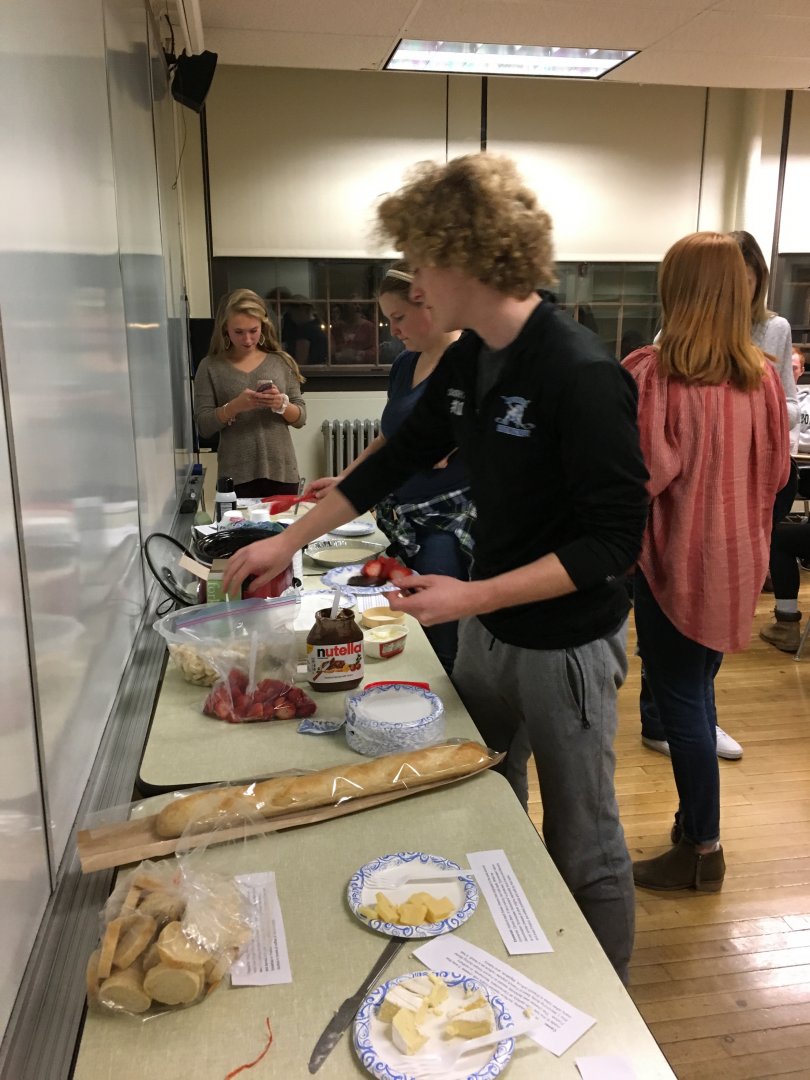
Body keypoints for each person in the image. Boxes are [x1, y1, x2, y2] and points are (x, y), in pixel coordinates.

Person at [222, 153, 651, 983]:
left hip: (564, 647)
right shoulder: (476, 357)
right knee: (491, 797)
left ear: (467, 256)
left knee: (585, 841)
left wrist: (474, 593)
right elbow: (393, 461)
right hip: (489, 629)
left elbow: (614, 542)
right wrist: (287, 541)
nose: (415, 282)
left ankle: (605, 1011)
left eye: (422, 260)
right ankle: (524, 956)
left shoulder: (580, 371)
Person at [624, 233, 790, 894]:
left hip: (676, 564)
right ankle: (693, 825)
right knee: (700, 689)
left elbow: (643, 478)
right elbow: (777, 474)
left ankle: (702, 846)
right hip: (739, 560)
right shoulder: (762, 376)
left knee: (683, 702)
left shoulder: (654, 373)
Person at [306, 262, 474, 674]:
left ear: (428, 303)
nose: (393, 330)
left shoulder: (468, 361)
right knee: (400, 609)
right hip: (401, 510)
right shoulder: (404, 365)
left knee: (440, 624)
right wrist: (349, 478)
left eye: (398, 318)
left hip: (446, 520)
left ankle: (450, 700)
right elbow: (389, 436)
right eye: (388, 320)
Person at [194, 289, 307, 498]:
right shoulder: (210, 367)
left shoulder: (281, 362)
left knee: (284, 530)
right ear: (225, 329)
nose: (247, 339)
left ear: (263, 326)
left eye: (253, 330)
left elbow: (300, 418)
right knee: (237, 531)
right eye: (238, 332)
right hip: (235, 477)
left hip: (282, 473)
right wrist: (234, 407)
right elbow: (203, 425)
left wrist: (280, 404)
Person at [282, 295, 328, 366]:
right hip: (320, 371)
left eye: (292, 310)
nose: (291, 315)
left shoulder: (304, 330)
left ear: (303, 309)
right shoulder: (318, 326)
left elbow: (301, 362)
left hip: (309, 373)